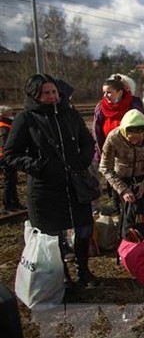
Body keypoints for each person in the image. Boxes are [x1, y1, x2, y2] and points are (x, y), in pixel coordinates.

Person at [4, 74, 99, 287]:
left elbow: (87, 142)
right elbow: (11, 154)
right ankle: (61, 275)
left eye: (54, 92)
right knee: (54, 235)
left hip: (75, 184)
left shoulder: (70, 114)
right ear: (35, 95)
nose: (52, 96)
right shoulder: (26, 119)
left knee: (84, 228)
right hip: (45, 188)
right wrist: (38, 166)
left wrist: (82, 161)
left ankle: (83, 270)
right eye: (46, 93)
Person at [99, 109, 144, 239]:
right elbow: (105, 167)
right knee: (125, 213)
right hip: (119, 177)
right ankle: (125, 240)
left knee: (143, 211)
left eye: (139, 140)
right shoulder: (113, 138)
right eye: (131, 139)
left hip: (141, 176)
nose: (135, 142)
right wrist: (123, 189)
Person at [0, 105, 24, 214]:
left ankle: (15, 203)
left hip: (7, 157)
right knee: (9, 181)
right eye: (10, 112)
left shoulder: (7, 125)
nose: (12, 114)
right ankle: (8, 205)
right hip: (5, 158)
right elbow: (5, 144)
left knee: (13, 180)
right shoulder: (3, 126)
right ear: (3, 114)